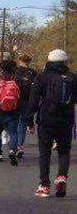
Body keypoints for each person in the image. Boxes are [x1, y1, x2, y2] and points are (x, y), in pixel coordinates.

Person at [27, 49, 76, 198]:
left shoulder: (42, 77)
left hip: (46, 119)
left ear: (49, 60)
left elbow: (33, 100)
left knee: (45, 152)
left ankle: (44, 185)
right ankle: (61, 176)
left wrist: (29, 120)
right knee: (64, 151)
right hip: (66, 120)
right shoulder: (73, 78)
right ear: (65, 61)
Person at [0, 59, 21, 165]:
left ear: (1, 68)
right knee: (13, 132)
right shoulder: (17, 80)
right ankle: (12, 150)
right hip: (13, 110)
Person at [13, 54, 37, 158]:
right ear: (29, 62)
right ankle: (19, 146)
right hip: (27, 101)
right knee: (22, 125)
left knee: (12, 123)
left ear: (20, 60)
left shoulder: (14, 71)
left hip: (13, 100)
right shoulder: (33, 73)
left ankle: (13, 144)